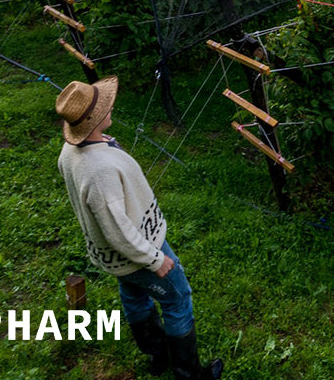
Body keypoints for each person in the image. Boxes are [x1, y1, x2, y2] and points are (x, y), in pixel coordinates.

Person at [56, 76, 223, 380]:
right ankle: (189, 374)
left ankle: (158, 356)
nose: (111, 106)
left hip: (115, 257)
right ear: (93, 120)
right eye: (105, 106)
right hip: (136, 248)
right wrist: (155, 259)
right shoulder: (99, 171)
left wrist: (105, 145)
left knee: (133, 293)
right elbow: (117, 230)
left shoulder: (72, 153)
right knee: (177, 298)